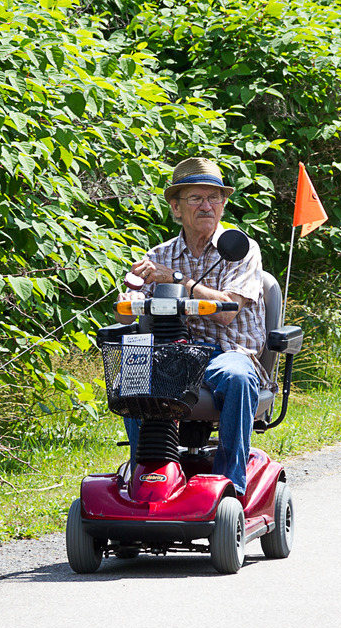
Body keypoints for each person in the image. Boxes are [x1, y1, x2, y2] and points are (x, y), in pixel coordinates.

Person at [115, 157, 270, 496]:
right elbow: (124, 317)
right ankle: (144, 475)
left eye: (214, 198)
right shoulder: (158, 254)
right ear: (176, 207)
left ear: (223, 204)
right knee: (131, 368)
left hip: (227, 354)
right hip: (175, 355)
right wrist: (132, 288)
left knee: (239, 377)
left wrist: (178, 280)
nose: (207, 206)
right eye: (196, 198)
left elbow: (226, 311)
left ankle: (231, 485)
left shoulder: (241, 249)